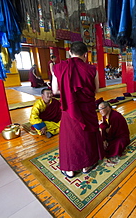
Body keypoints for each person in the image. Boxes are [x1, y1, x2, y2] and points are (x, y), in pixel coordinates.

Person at [52, 41, 104, 178]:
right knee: (86, 135)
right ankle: (86, 166)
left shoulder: (58, 67)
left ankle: (70, 170)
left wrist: (68, 91)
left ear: (70, 52)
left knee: (70, 138)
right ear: (85, 54)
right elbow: (97, 89)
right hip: (87, 107)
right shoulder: (92, 69)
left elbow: (55, 90)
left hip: (69, 108)